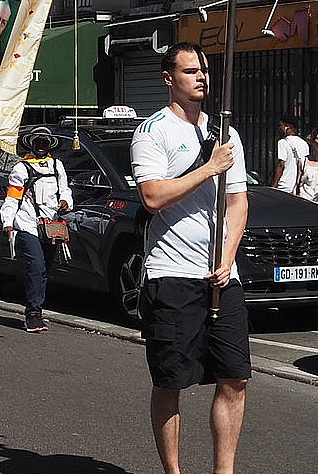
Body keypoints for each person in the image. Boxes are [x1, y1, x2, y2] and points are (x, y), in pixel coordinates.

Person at [129, 43, 250, 474]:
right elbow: (152, 195)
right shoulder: (152, 132)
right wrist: (207, 169)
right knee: (171, 381)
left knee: (235, 378)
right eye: (191, 70)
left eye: (205, 70)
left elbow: (238, 202)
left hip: (221, 276)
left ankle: (224, 470)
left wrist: (228, 254)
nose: (202, 77)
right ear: (169, 78)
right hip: (171, 273)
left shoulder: (225, 133)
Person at [1, 127, 74, 333]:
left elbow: (66, 190)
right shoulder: (21, 169)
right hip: (27, 224)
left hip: (51, 225)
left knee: (44, 270)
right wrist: (7, 220)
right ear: (31, 144)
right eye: (38, 142)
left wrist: (65, 202)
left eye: (45, 142)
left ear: (49, 144)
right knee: (36, 265)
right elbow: (12, 197)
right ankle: (32, 313)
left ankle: (38, 310)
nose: (41, 146)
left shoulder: (57, 165)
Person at [272, 115, 309, 195]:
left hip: (284, 186)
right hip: (298, 186)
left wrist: (274, 186)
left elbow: (281, 165)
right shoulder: (304, 143)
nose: (279, 128)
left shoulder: (282, 142)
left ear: (287, 127)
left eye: (280, 125)